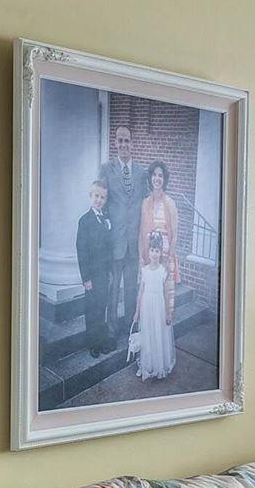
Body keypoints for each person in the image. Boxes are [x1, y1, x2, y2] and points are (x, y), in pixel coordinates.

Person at [133, 163, 180, 380]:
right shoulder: (145, 203)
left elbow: (175, 233)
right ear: (150, 178)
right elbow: (143, 230)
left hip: (165, 254)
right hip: (150, 254)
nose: (157, 179)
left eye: (161, 175)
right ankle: (150, 357)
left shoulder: (170, 203)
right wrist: (144, 254)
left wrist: (168, 256)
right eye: (154, 175)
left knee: (164, 302)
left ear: (164, 179)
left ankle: (162, 355)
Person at [74, 179, 122, 353]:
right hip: (92, 275)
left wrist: (110, 271)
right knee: (92, 309)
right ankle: (92, 344)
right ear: (90, 196)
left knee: (101, 308)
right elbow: (82, 251)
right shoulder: (85, 221)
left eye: (102, 197)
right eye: (96, 196)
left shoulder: (106, 219)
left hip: (103, 273)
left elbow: (109, 247)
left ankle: (101, 341)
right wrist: (86, 278)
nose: (99, 200)